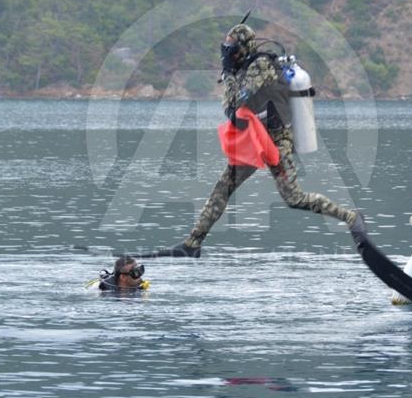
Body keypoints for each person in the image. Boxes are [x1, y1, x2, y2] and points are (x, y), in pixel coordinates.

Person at [142, 21, 361, 258]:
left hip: (278, 139)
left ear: (244, 47)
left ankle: (350, 217)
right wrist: (228, 74)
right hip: (255, 138)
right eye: (226, 47)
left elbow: (240, 100)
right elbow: (229, 110)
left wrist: (229, 78)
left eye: (232, 47)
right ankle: (193, 242)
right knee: (223, 188)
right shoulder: (236, 70)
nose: (228, 52)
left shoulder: (260, 65)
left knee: (294, 198)